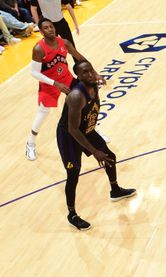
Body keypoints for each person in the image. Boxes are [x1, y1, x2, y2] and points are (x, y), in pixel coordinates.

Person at [56, 60, 135, 231]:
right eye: (85, 73)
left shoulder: (94, 84)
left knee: (110, 157)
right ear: (78, 76)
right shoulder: (76, 96)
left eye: (91, 70)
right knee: (73, 174)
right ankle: (72, 214)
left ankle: (115, 190)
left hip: (86, 129)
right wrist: (94, 151)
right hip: (70, 135)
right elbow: (73, 129)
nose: (90, 74)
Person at [26, 17, 85, 161]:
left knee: (82, 103)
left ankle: (91, 132)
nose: (50, 29)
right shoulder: (39, 48)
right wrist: (55, 84)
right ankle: (30, 144)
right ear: (41, 32)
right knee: (43, 113)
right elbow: (34, 73)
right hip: (49, 83)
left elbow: (79, 57)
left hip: (66, 78)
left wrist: (93, 72)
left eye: (51, 26)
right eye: (46, 28)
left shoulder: (63, 42)